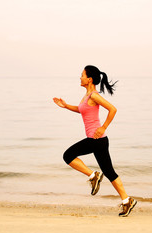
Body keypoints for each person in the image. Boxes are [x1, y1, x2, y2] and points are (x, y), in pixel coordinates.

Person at [53, 65, 137, 217]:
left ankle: (93, 176)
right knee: (110, 172)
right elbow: (81, 110)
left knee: (68, 156)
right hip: (100, 141)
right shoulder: (87, 96)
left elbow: (113, 109)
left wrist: (103, 127)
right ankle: (127, 201)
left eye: (82, 75)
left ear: (89, 79)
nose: (80, 77)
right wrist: (65, 106)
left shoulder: (94, 96)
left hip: (96, 139)